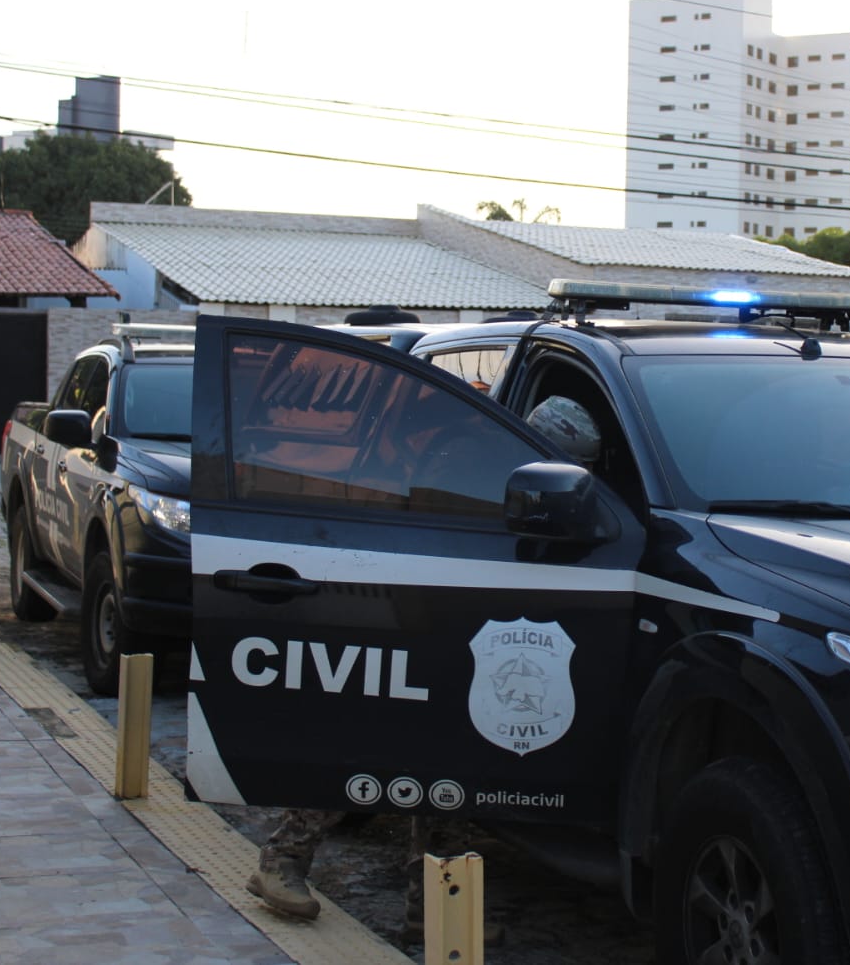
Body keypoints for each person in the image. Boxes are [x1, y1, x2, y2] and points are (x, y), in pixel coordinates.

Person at [245, 395, 601, 931]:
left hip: (461, 629)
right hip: (424, 626)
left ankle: (435, 910)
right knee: (373, 749)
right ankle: (282, 861)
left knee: (446, 775)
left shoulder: (494, 464)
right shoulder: (470, 461)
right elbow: (433, 544)